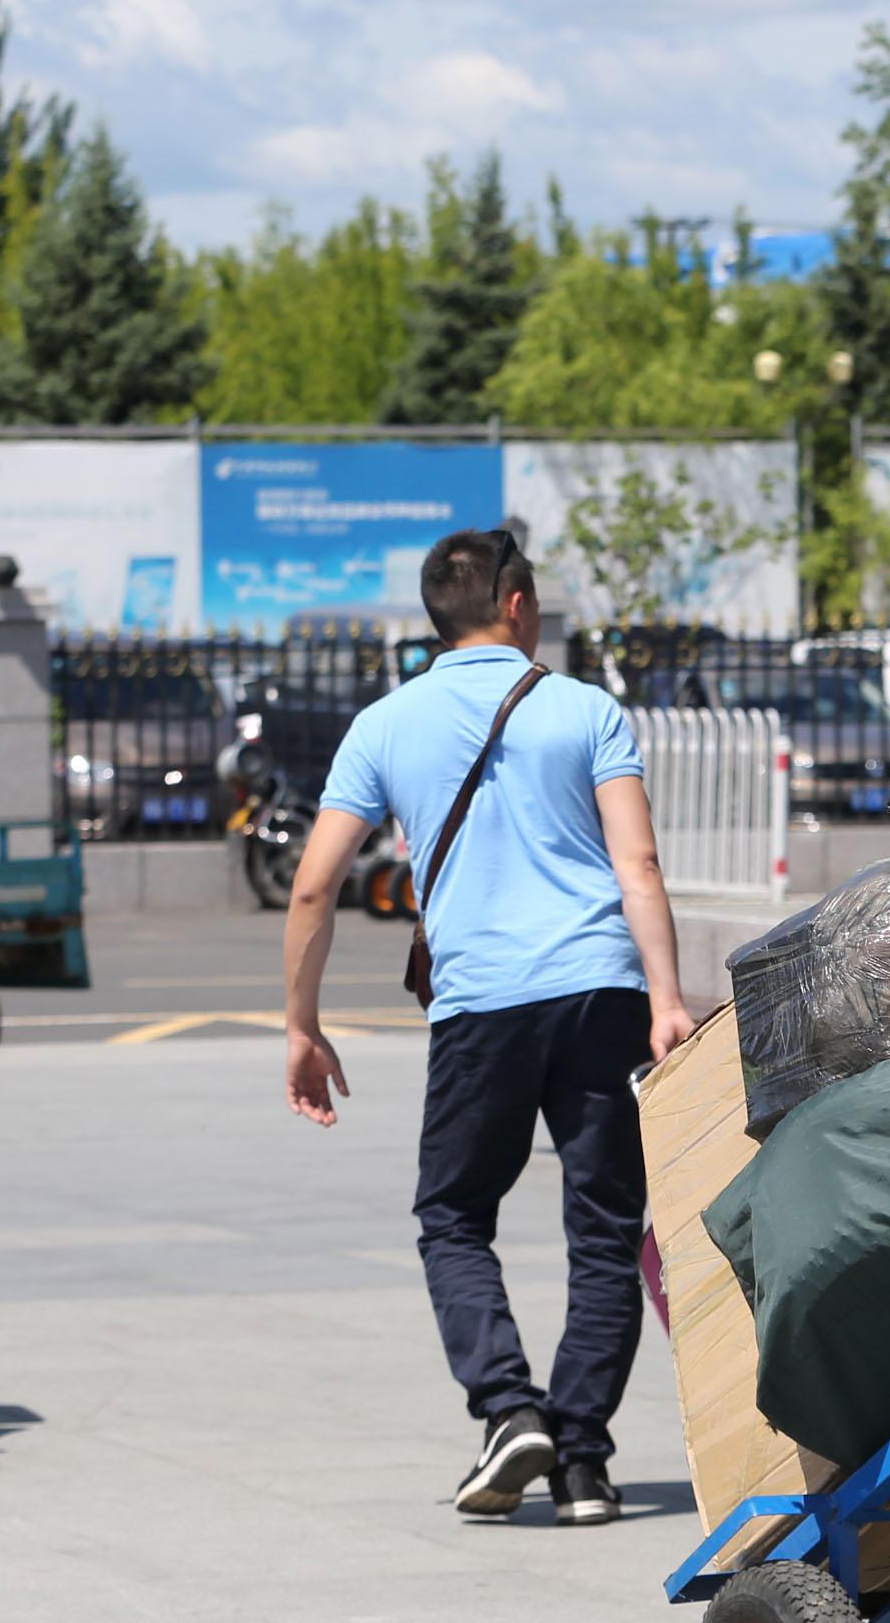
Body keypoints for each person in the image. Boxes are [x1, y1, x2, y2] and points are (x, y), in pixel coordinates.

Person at [282, 528, 694, 1526]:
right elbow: (636, 867)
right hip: (601, 993)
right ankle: (585, 1462)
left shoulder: (386, 725)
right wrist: (668, 999)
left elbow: (312, 886)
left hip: (482, 1007)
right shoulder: (586, 709)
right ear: (514, 605)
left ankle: (511, 1409)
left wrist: (302, 1024)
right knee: (603, 1228)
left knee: (454, 1214)